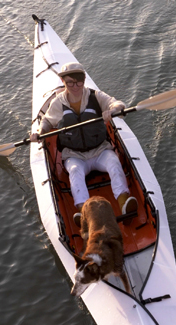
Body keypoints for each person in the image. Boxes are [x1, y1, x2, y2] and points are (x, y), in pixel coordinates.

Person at [30, 62, 137, 227]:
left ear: (84, 80)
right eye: (69, 82)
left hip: (100, 150)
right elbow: (47, 121)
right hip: (74, 155)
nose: (75, 86)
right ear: (63, 82)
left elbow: (118, 104)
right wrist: (39, 131)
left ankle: (124, 203)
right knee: (74, 171)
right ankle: (85, 212)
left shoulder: (95, 96)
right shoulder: (58, 103)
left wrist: (113, 110)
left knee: (114, 163)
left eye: (78, 81)